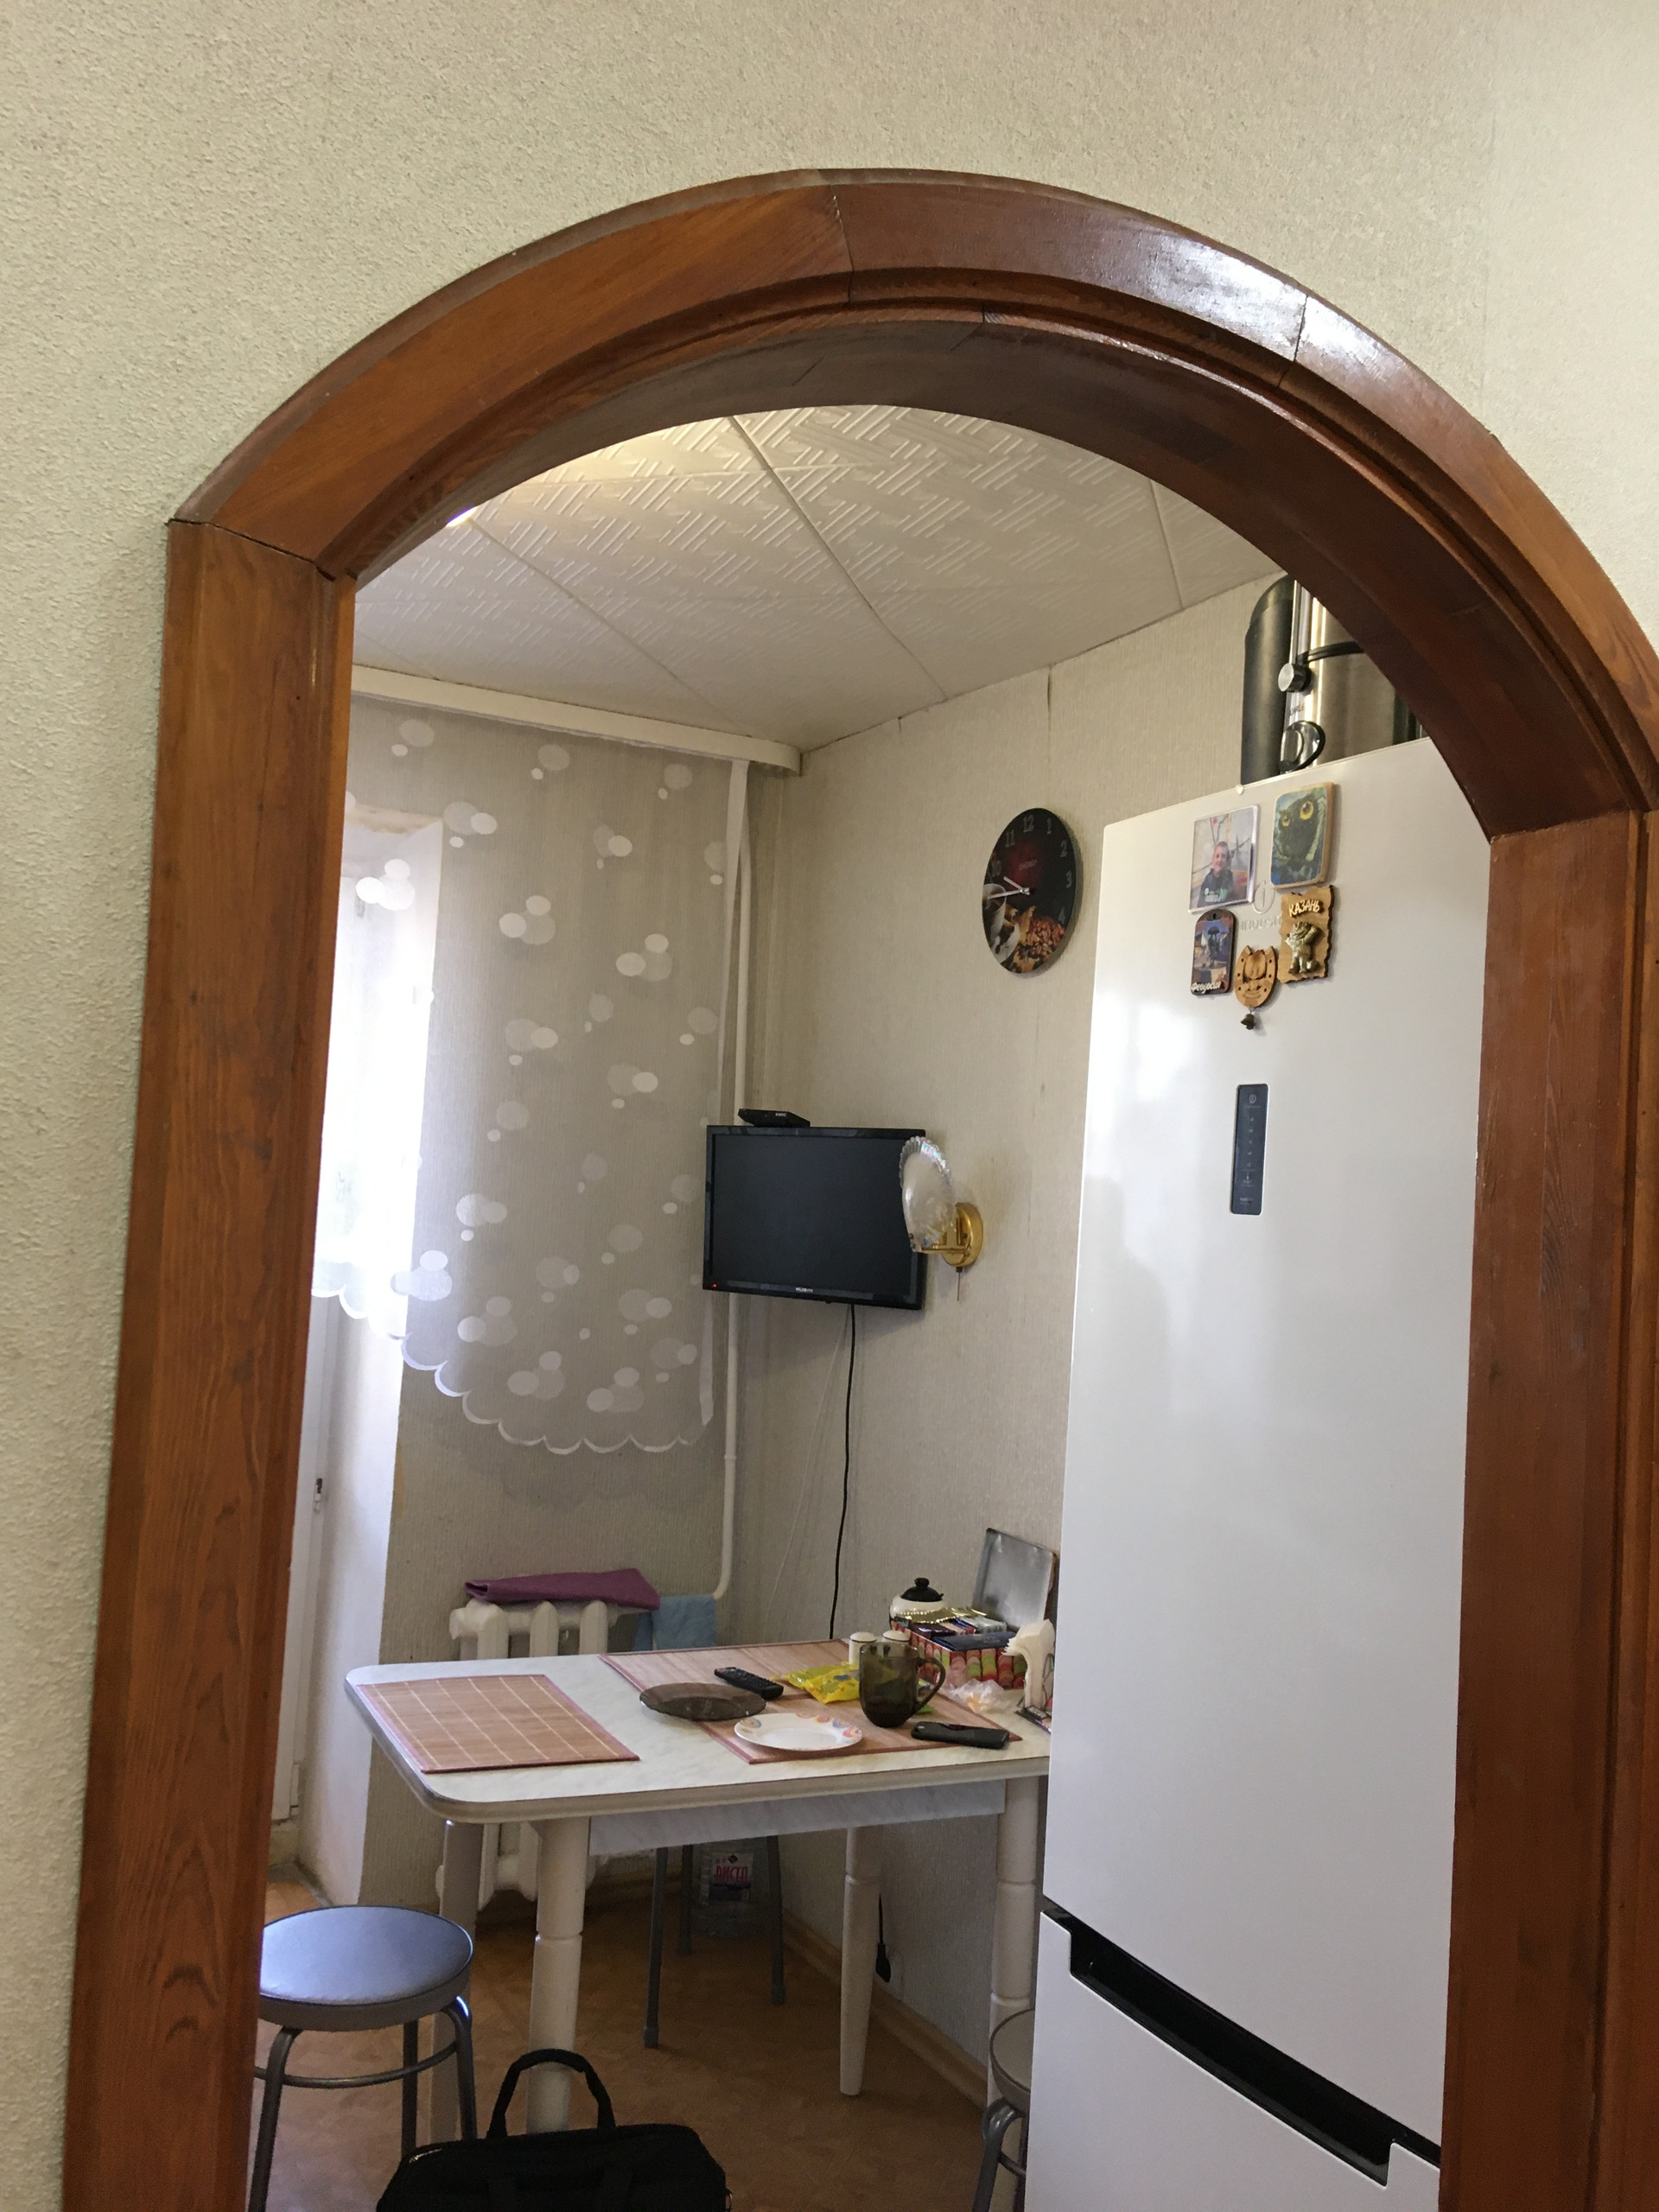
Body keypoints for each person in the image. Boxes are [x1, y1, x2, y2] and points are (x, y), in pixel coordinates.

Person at [1197, 837, 1236, 906]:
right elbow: (1200, 906)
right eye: (1217, 856)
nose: (1220, 860)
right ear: (1213, 859)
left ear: (1227, 860)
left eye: (1223, 856)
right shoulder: (1207, 880)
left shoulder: (1230, 880)